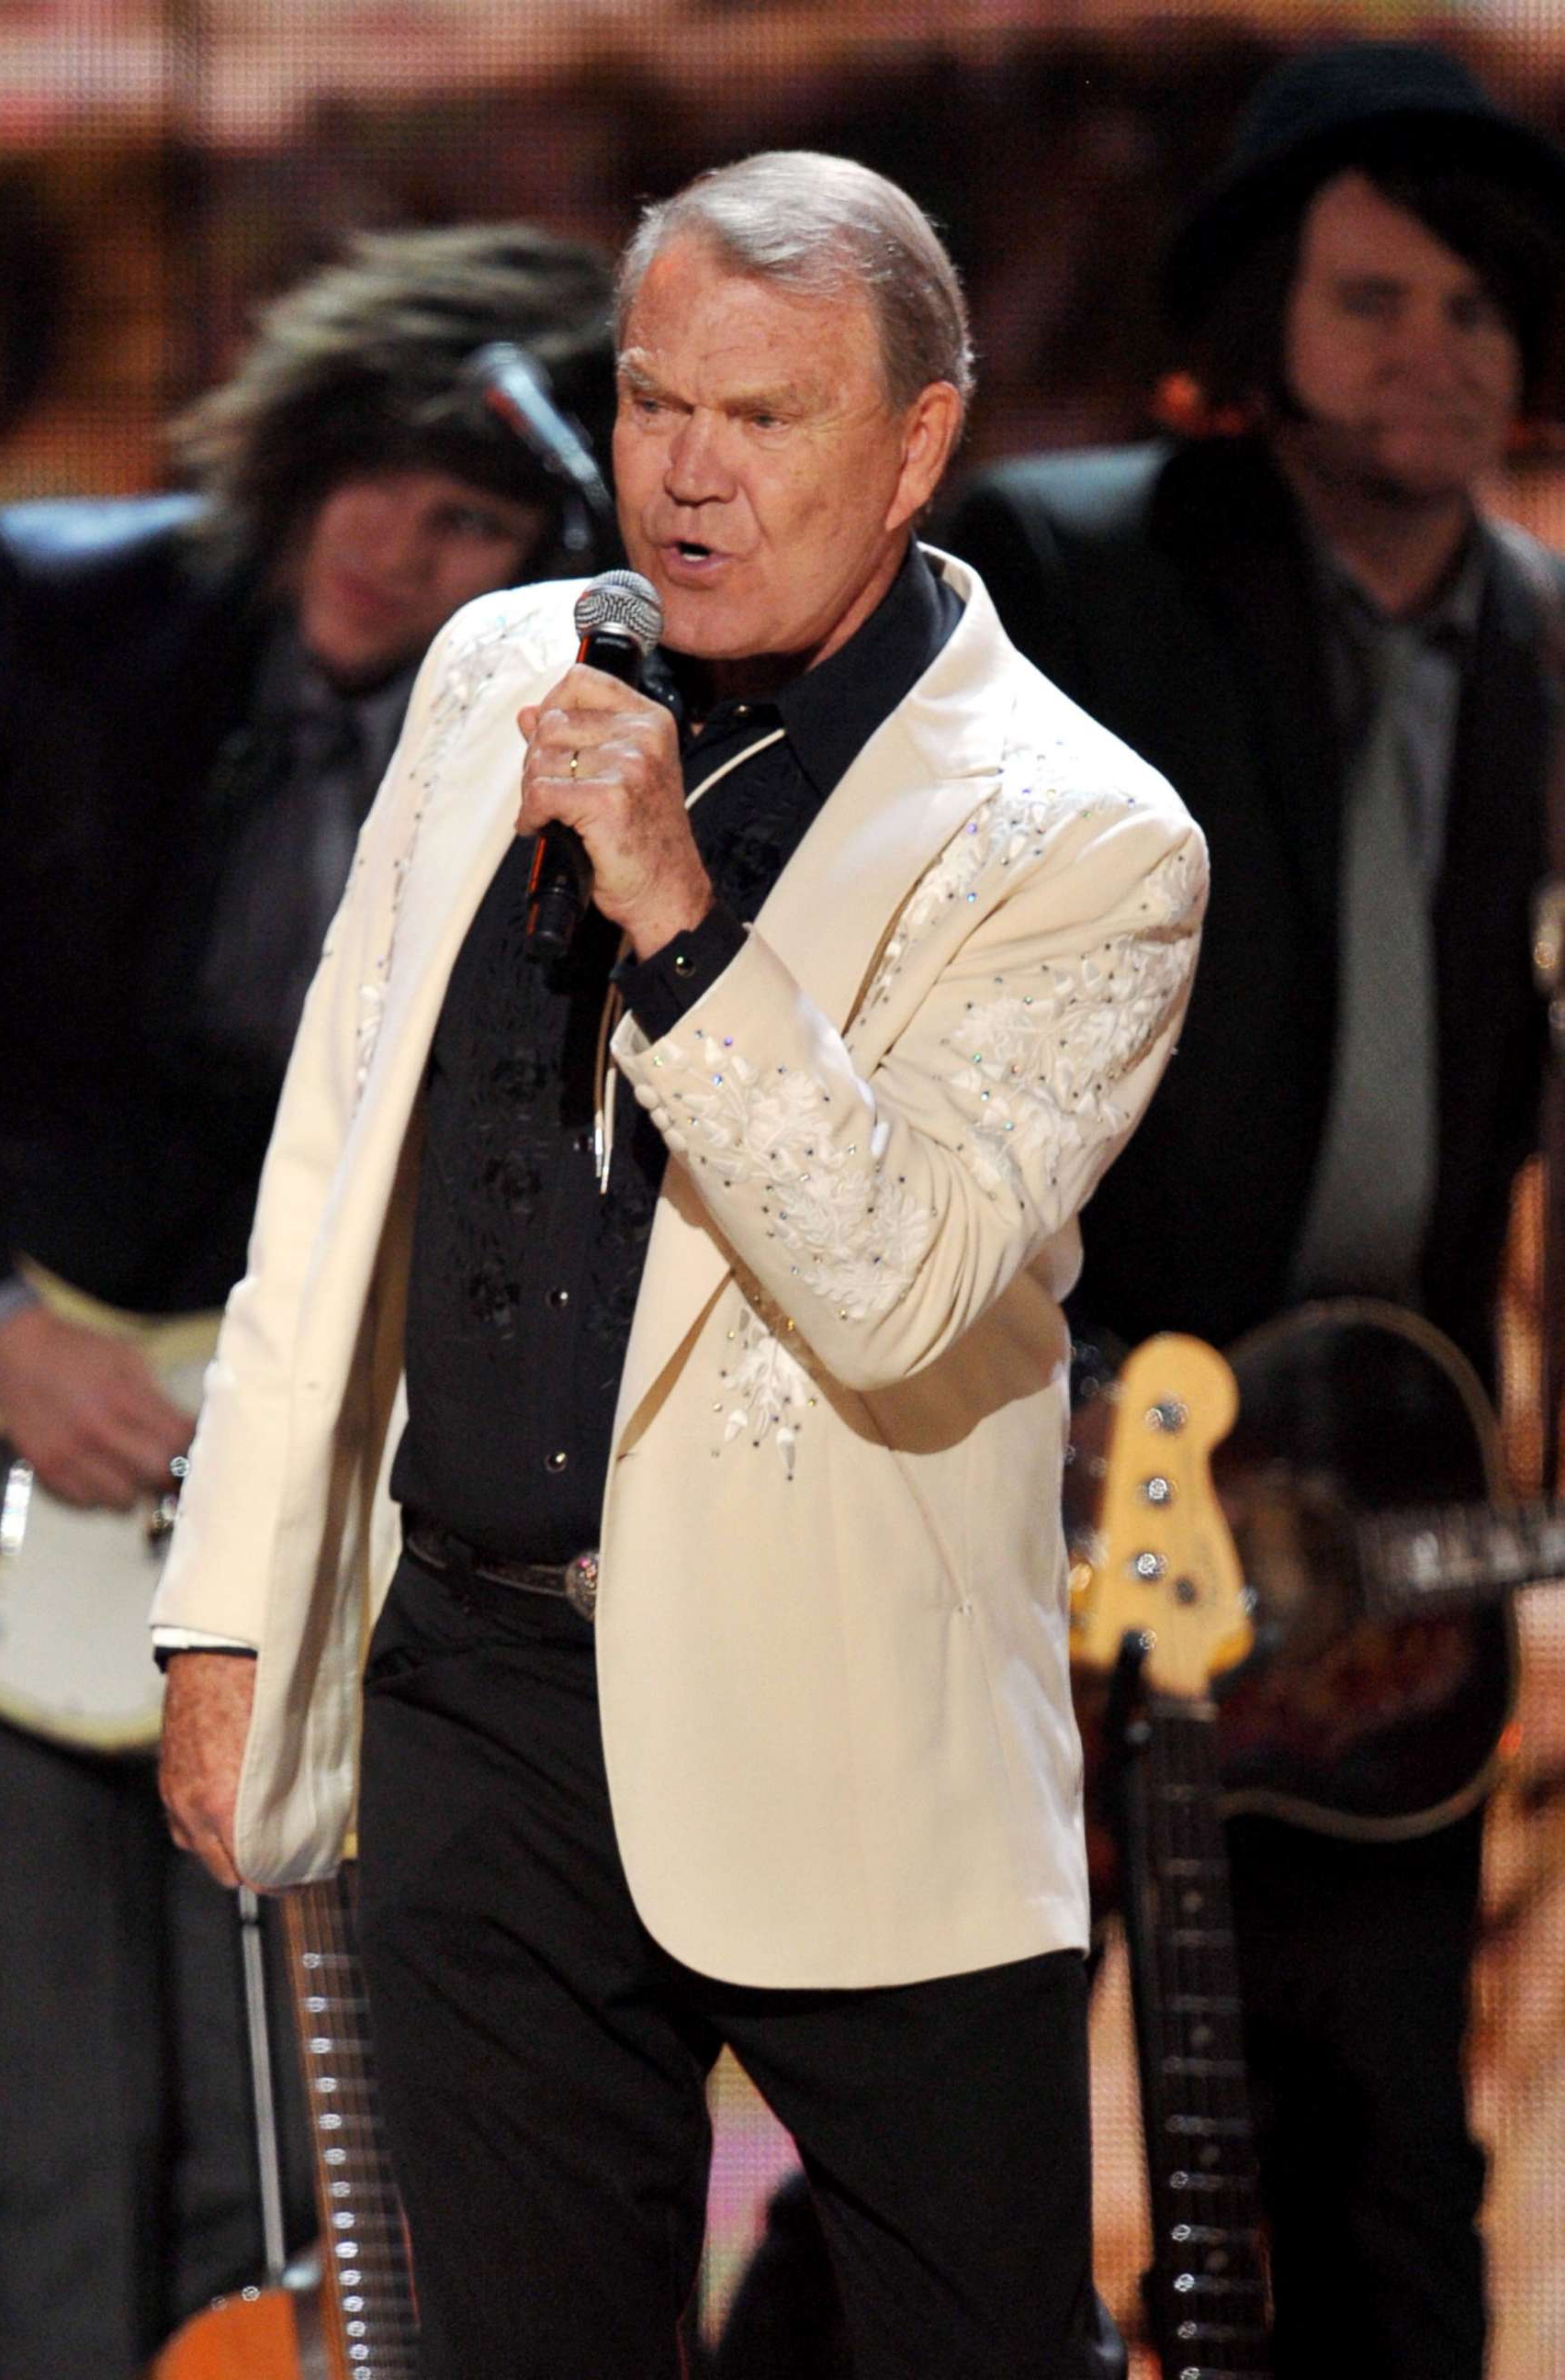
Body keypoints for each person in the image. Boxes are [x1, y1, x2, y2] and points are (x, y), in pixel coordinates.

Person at [154, 150, 1204, 2380]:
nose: (687, 475)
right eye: (653, 407)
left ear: (918, 440)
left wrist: (679, 918)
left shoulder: (1081, 833)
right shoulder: (494, 677)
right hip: (486, 1703)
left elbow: (901, 1273)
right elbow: (334, 1151)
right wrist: (231, 1609)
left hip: (861, 1724)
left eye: (765, 419)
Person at [0, 221, 616, 2380]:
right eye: (386, 477)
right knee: (49, 2157)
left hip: (278, 1535)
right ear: (304, 449)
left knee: (270, 2177)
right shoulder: (46, 615)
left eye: (480, 517)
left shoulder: (516, 768)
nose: (409, 543)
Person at [940, 39, 1565, 2380]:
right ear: (1264, 325)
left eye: (1484, 312)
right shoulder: (1074, 567)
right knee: (958, 2161)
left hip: (1367, 1522)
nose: (1443, 354)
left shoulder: (1531, 636)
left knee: (1389, 2189)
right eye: (1380, 300)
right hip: (1058, 1454)